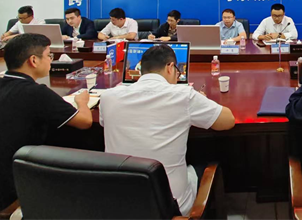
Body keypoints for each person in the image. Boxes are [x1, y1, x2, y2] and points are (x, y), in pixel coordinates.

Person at [99, 44, 235, 216]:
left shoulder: (108, 97)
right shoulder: (184, 95)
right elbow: (227, 121)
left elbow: (105, 123)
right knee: (207, 162)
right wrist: (200, 101)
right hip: (169, 207)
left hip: (118, 205)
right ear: (170, 67)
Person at [0, 34, 92, 212]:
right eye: (49, 56)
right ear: (33, 60)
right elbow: (85, 122)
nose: (51, 61)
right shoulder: (36, 93)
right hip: (12, 188)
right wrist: (82, 102)